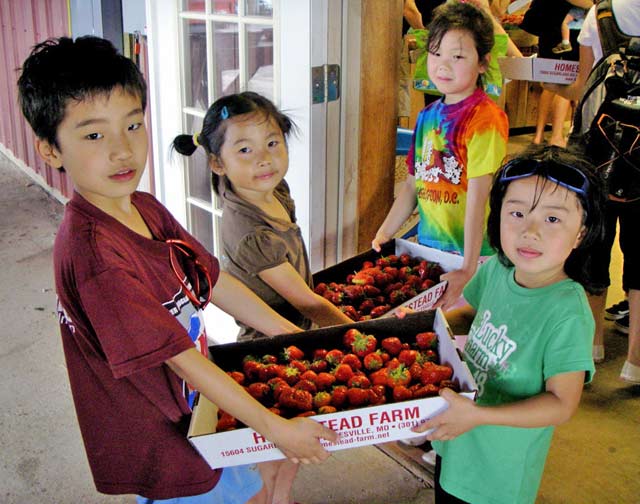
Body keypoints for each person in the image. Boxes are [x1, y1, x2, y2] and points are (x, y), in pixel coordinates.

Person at [16, 36, 338, 503]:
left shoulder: (144, 207)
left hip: (200, 408)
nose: (122, 151)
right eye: (93, 135)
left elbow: (214, 280)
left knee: (254, 492)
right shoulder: (96, 257)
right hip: (164, 438)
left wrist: (298, 339)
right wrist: (272, 426)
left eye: (133, 126)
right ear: (50, 150)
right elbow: (176, 356)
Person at [171, 91, 353, 503]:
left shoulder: (275, 191)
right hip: (269, 349)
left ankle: (282, 498)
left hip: (298, 335)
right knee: (272, 453)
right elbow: (307, 303)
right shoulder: (250, 231)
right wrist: (361, 335)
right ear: (218, 164)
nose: (264, 159)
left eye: (272, 143)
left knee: (294, 450)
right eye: (245, 150)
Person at [413, 144, 606, 504]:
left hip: (498, 471)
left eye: (552, 219)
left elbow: (562, 404)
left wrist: (479, 415)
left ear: (581, 233)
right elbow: (469, 315)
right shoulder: (499, 270)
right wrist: (424, 331)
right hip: (457, 439)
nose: (530, 231)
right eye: (516, 213)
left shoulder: (568, 312)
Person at [373, 0, 509, 312]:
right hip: (430, 249)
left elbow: (478, 195)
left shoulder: (485, 118)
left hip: (473, 253)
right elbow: (411, 186)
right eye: (435, 54)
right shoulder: (427, 116)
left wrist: (469, 265)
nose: (443, 65)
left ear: (483, 62)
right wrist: (386, 231)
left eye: (458, 56)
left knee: (461, 339)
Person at [545, 0, 640, 375]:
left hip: (598, 158)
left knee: (592, 251)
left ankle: (592, 347)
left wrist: (551, 85)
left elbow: (582, 90)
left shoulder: (601, 16)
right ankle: (635, 361)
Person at [519, 0, 593, 147]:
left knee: (551, 82)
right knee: (567, 80)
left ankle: (539, 135)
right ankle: (557, 136)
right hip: (568, 33)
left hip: (551, 27)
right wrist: (595, 5)